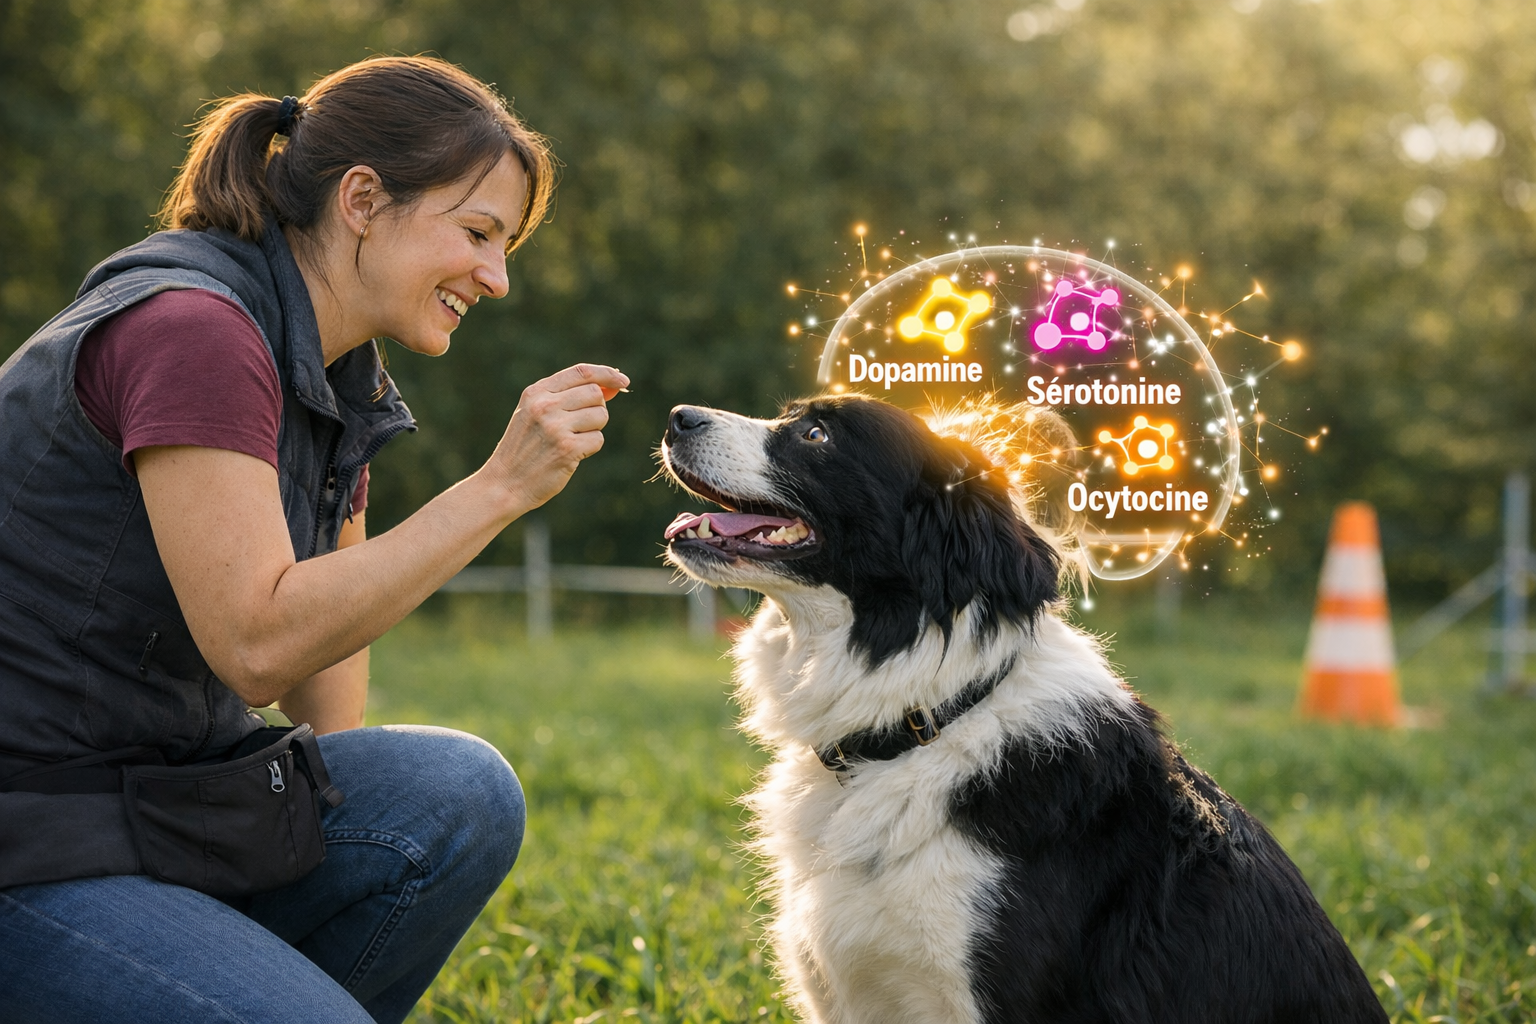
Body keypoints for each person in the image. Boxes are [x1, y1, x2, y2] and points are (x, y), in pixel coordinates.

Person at [0, 55, 627, 1023]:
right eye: (477, 233)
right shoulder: (193, 329)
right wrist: (497, 490)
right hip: (33, 838)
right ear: (364, 200)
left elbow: (325, 722)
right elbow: (259, 643)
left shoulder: (339, 380)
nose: (496, 279)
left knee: (457, 791)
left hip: (155, 814)